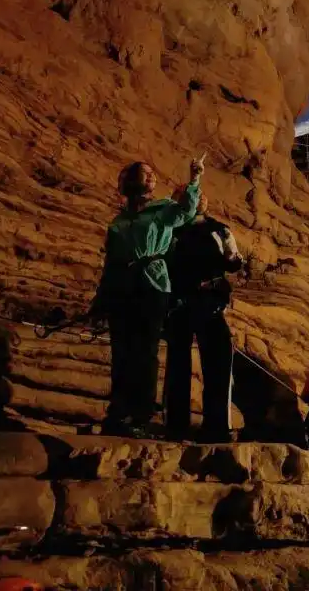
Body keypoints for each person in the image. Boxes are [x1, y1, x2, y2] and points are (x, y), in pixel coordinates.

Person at [90, 158, 203, 436]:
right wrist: (101, 298)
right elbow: (111, 262)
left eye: (153, 174)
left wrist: (195, 179)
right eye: (147, 173)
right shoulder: (118, 222)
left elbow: (186, 212)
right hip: (122, 286)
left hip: (152, 284)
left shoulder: (162, 210)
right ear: (130, 181)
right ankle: (118, 411)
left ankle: (139, 416)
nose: (152, 178)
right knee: (121, 350)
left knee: (145, 351)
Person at [163, 188, 243, 442]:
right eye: (192, 196)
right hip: (180, 302)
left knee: (219, 361)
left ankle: (216, 425)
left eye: (202, 196)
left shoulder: (219, 229)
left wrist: (231, 258)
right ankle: (176, 425)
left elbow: (233, 260)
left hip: (210, 303)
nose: (200, 199)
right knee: (178, 364)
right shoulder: (170, 230)